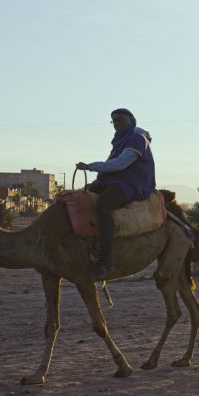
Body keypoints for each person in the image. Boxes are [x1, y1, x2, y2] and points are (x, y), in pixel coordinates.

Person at [76, 108, 156, 279]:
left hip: (132, 184)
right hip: (115, 181)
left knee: (103, 205)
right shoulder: (120, 141)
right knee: (80, 197)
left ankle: (106, 260)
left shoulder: (136, 139)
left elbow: (120, 164)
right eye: (114, 121)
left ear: (132, 120)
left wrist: (90, 166)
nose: (117, 123)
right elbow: (112, 163)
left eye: (120, 119)